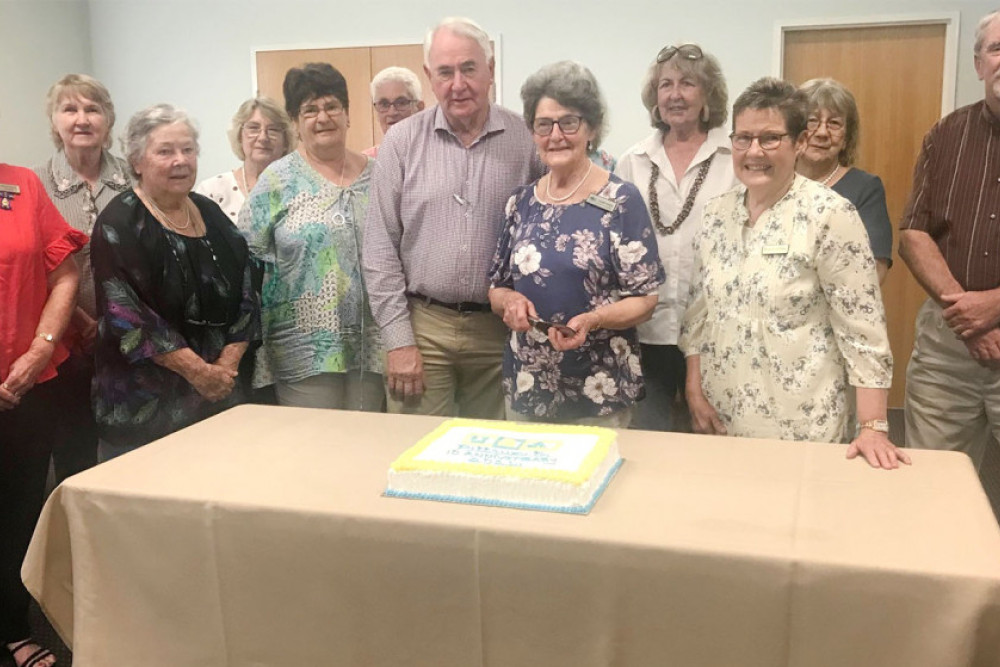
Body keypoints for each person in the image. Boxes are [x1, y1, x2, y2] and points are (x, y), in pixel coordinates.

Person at [679, 77, 908, 469]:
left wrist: (873, 425)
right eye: (743, 138)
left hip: (803, 421)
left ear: (799, 143)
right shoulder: (716, 215)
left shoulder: (831, 215)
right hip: (723, 415)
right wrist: (694, 388)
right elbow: (698, 312)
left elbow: (863, 327)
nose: (754, 151)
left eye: (770, 138)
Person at [363, 17, 545, 418]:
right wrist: (398, 341)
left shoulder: (527, 141)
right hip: (423, 329)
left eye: (469, 68)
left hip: (501, 332)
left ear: (491, 71)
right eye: (445, 72)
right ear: (429, 76)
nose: (457, 84)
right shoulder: (401, 142)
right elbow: (379, 249)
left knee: (494, 457)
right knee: (416, 456)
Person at [488, 61, 663, 426]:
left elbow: (645, 300)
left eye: (569, 122)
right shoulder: (520, 202)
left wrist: (595, 319)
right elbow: (497, 287)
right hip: (529, 380)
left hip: (599, 384)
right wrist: (511, 302)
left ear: (591, 128)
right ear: (533, 132)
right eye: (543, 124)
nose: (556, 135)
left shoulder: (621, 200)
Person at [90, 104, 259, 460]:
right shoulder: (119, 222)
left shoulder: (210, 213)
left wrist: (226, 367)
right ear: (137, 161)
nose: (180, 160)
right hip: (146, 409)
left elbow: (247, 287)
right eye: (165, 151)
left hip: (218, 397)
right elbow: (127, 317)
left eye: (187, 149)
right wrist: (200, 373)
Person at [241, 63, 383, 410]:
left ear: (348, 114)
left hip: (374, 346)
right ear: (295, 122)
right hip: (302, 350)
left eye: (332, 106)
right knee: (314, 450)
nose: (323, 118)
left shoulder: (380, 176)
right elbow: (246, 262)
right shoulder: (276, 180)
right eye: (310, 110)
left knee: (366, 447)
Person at [615, 43, 736, 432]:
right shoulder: (632, 161)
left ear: (708, 95)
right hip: (647, 328)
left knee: (714, 436)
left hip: (718, 328)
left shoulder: (734, 158)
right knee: (649, 438)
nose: (675, 94)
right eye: (665, 84)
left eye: (687, 83)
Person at [899, 9, 1000, 469]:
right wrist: (966, 313)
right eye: (997, 49)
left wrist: (993, 306)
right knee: (936, 482)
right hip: (947, 349)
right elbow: (915, 232)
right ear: (978, 63)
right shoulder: (946, 134)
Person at [1, 162, 87, 667]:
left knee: (17, 512)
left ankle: (14, 628)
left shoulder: (22, 184)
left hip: (29, 384)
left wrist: (39, 349)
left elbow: (65, 273)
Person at [34, 73, 131, 483]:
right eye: (69, 109)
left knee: (130, 453)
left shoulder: (135, 180)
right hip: (62, 347)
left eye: (93, 109)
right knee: (72, 455)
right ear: (54, 121)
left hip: (129, 340)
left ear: (108, 119)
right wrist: (81, 321)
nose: (82, 119)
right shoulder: (33, 185)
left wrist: (111, 322)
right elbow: (34, 269)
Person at [797, 77, 892, 283]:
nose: (822, 132)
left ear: (847, 137)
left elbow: (874, 269)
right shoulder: (773, 184)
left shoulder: (865, 188)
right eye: (812, 120)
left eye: (834, 123)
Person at [195, 97, 294, 223]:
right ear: (239, 137)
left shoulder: (303, 191)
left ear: (285, 141)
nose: (263, 137)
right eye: (253, 128)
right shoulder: (212, 191)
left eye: (273, 130)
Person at [363, 66, 424, 158]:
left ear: (419, 109)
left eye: (401, 103)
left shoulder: (440, 156)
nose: (392, 112)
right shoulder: (365, 164)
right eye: (384, 104)